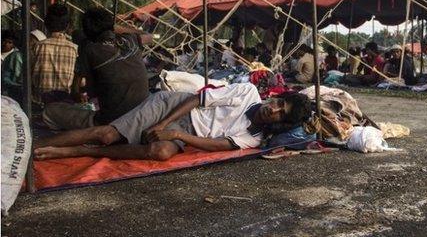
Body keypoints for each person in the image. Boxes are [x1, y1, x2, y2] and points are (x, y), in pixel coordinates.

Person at [34, 83, 312, 161]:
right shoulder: (247, 92)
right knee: (107, 134)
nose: (273, 109)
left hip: (184, 130)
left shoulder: (253, 138)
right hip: (174, 107)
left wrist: (175, 137)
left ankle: (82, 151)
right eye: (278, 102)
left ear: (280, 123)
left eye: (280, 113)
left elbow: (216, 145)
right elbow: (197, 99)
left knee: (160, 152)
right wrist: (164, 124)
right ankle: (36, 148)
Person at [42, 8, 152, 130]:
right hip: (144, 116)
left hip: (112, 123)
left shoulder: (90, 50)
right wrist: (112, 27)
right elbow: (151, 36)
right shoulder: (130, 40)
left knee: (50, 111)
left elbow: (86, 93)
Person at [31, 4, 78, 103]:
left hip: (40, 101)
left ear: (46, 24)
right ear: (67, 25)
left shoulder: (39, 46)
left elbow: (31, 74)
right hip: (64, 102)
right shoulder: (74, 49)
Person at [1, 30, 23, 101]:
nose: (5, 44)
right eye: (4, 41)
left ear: (14, 44)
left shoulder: (16, 56)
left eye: (9, 42)